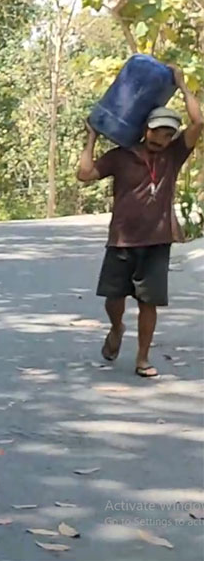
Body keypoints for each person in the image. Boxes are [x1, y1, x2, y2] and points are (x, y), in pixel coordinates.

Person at [77, 65, 202, 378]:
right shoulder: (120, 156)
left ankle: (142, 358)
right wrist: (91, 138)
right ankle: (117, 328)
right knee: (113, 299)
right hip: (121, 238)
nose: (162, 137)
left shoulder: (174, 155)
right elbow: (84, 174)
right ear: (146, 128)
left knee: (149, 303)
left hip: (157, 239)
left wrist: (183, 86)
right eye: (158, 130)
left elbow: (198, 121)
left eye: (168, 133)